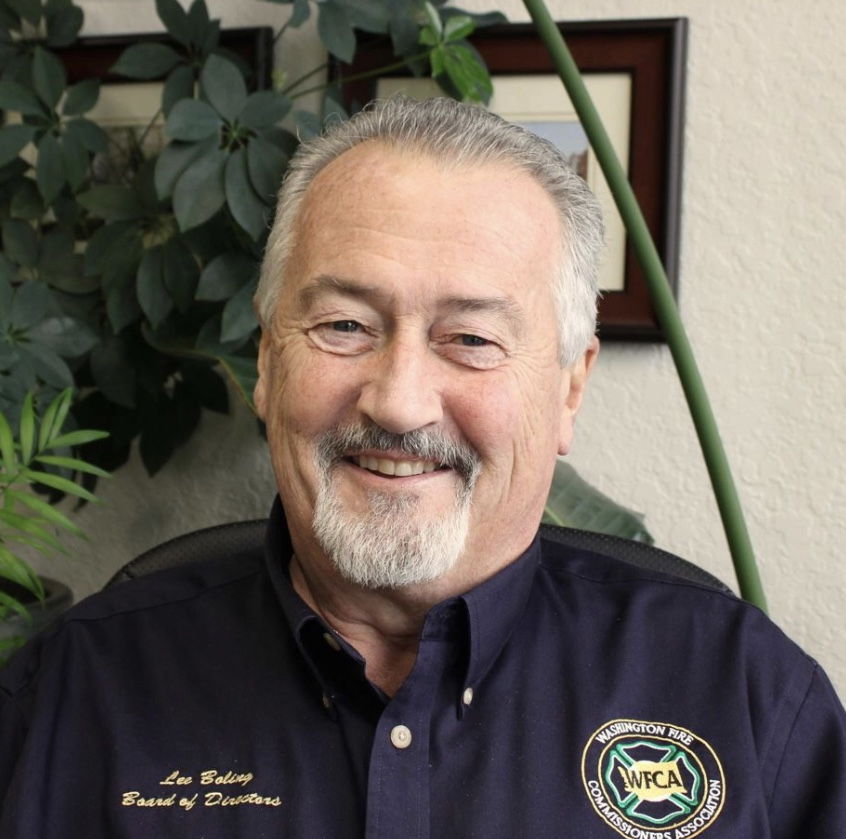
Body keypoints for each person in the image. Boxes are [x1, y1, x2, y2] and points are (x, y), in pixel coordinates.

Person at [1, 95, 844, 839]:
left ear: (569, 389)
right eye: (344, 325)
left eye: (471, 339)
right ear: (265, 362)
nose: (399, 403)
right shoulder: (70, 693)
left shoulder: (746, 696)